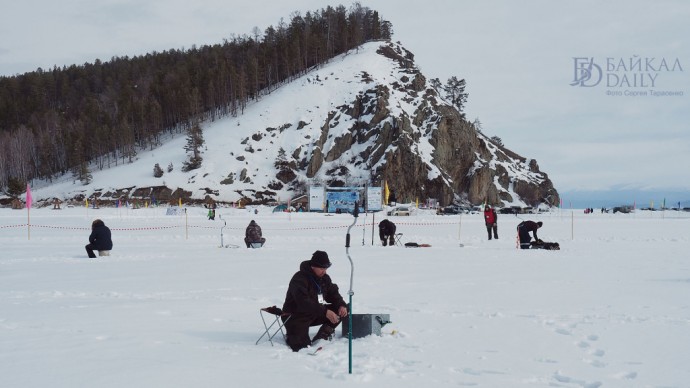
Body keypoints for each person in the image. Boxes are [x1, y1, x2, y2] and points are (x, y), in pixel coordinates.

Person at [281, 251, 348, 352]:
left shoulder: (324, 279)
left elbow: (334, 294)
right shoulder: (299, 279)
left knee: (343, 309)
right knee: (302, 347)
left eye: (325, 268)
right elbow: (303, 303)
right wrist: (325, 312)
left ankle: (324, 333)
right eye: (321, 268)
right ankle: (292, 335)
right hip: (295, 316)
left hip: (314, 313)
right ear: (313, 266)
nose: (324, 271)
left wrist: (341, 305)